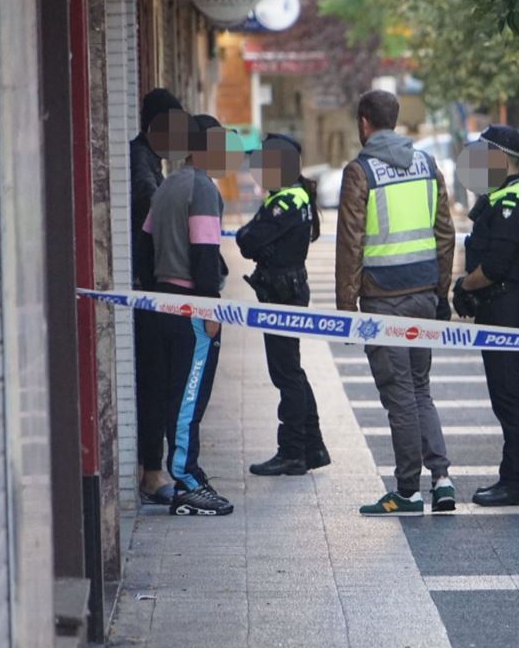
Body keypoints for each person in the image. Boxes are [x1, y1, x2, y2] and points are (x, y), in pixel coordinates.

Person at [336, 90, 456, 516]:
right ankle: (442, 481)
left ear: (364, 122)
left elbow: (351, 243)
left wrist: (346, 305)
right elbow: (445, 233)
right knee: (420, 388)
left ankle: (408, 489)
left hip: (383, 301)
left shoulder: (360, 172)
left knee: (399, 393)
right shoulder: (427, 165)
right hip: (423, 294)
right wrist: (441, 292)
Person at [139, 114, 235, 516]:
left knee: (166, 394)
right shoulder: (202, 188)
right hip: (191, 307)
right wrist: (210, 308)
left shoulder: (167, 187)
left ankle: (165, 471)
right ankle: (188, 480)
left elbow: (143, 246)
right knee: (187, 399)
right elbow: (205, 253)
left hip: (160, 302)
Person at [452, 125, 519, 506]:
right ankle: (514, 476)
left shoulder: (512, 203)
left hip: (506, 305)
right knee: (505, 394)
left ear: (502, 159)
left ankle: (518, 481)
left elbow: (495, 266)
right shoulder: (503, 195)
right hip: (500, 304)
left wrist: (463, 287)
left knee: (509, 395)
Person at [236, 134, 331, 476]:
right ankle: (312, 446)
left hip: (282, 294)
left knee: (286, 373)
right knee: (291, 370)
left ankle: (292, 451)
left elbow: (247, 241)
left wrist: (250, 237)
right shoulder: (294, 195)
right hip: (286, 290)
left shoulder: (285, 201)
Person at [131, 89, 184, 505]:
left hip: (159, 289)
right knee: (154, 383)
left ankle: (156, 465)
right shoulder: (138, 160)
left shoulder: (153, 161)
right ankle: (151, 471)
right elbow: (151, 204)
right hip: (147, 292)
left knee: (164, 384)